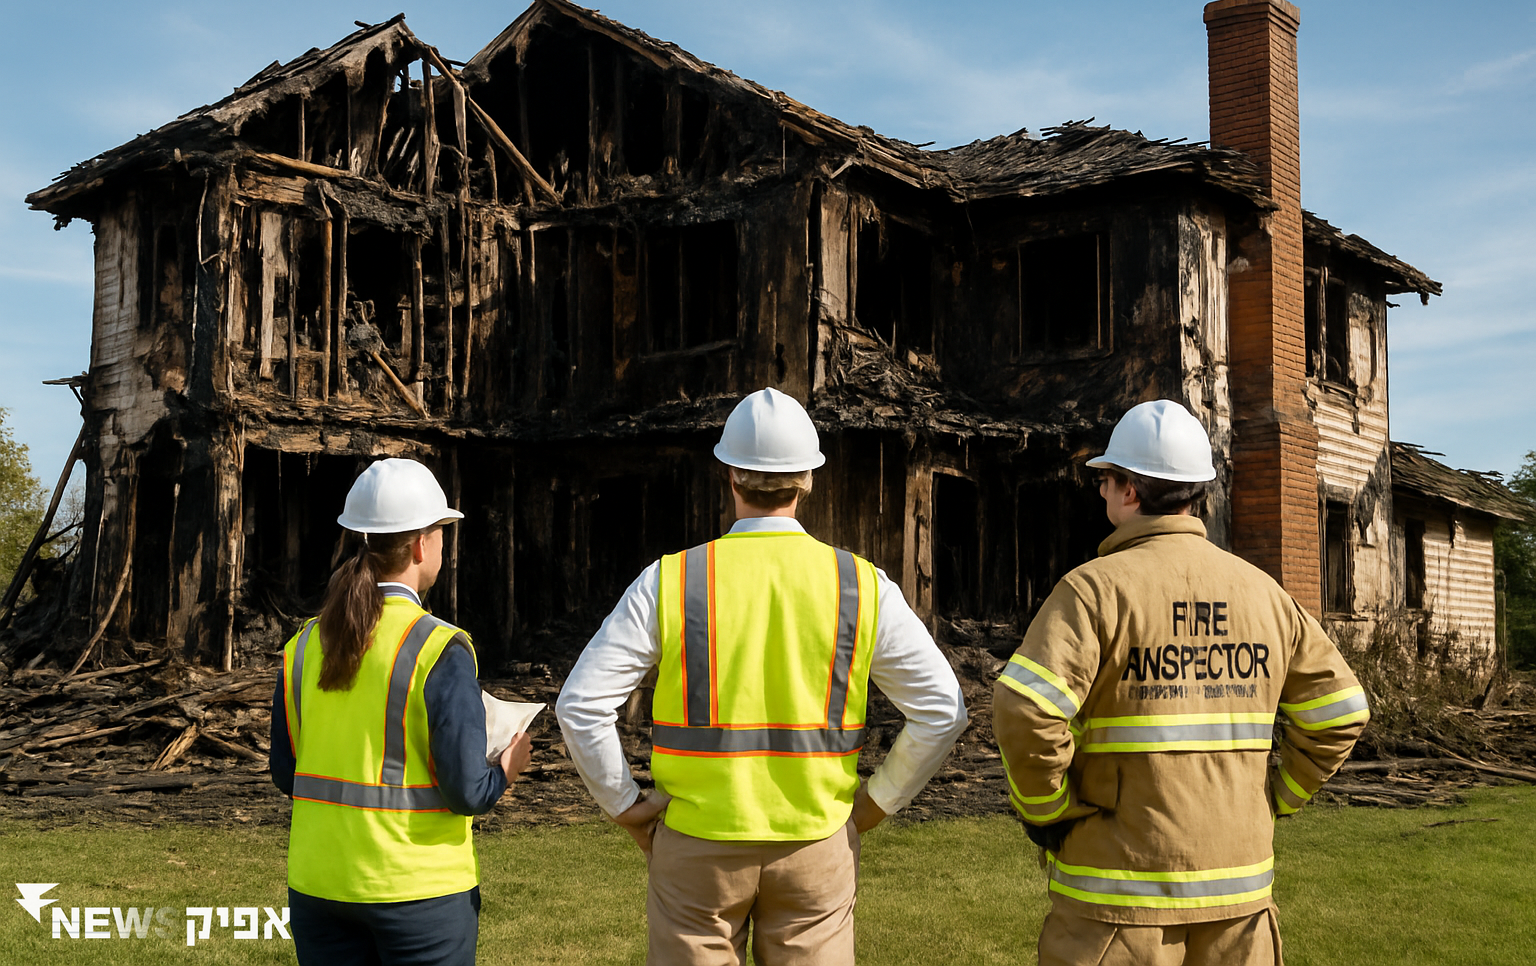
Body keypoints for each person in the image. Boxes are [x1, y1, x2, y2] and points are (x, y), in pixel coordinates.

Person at [556, 387, 969, 966]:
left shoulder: (670, 581)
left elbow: (579, 705)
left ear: (729, 475)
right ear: (807, 480)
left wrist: (624, 805)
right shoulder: (860, 584)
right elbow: (943, 710)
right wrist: (875, 805)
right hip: (816, 847)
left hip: (697, 848)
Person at [994, 400, 1370, 966]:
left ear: (1131, 492)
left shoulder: (1093, 590)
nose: (1100, 492)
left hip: (1115, 902)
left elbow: (1025, 710)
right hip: (1240, 901)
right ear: (1197, 492)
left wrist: (1047, 810)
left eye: (1107, 479)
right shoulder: (1263, 593)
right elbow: (1340, 711)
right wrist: (1275, 799)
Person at [269, 458, 533, 966]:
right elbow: (467, 791)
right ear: (419, 545)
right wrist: (507, 766)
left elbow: (288, 772)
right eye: (440, 532)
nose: (442, 545)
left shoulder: (302, 646)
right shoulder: (439, 648)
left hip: (318, 887)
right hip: (417, 893)